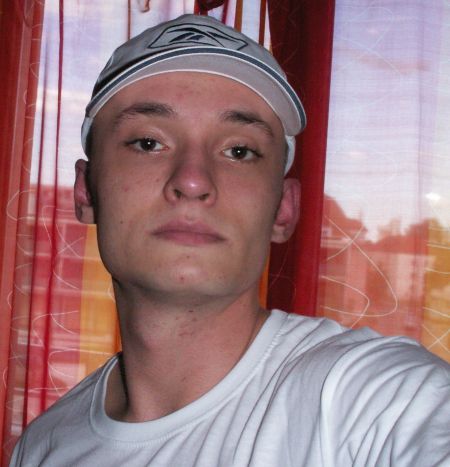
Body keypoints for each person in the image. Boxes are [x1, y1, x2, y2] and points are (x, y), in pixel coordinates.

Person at [10, 13, 449, 467]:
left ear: (284, 209)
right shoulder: (43, 448)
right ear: (86, 191)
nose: (193, 180)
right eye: (148, 143)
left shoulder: (381, 401)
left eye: (239, 151)